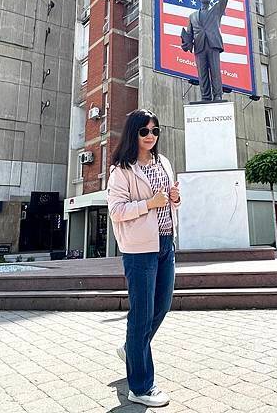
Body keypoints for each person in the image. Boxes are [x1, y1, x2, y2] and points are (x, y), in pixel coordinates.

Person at [107, 109, 181, 407]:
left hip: (166, 243)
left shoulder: (163, 162)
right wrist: (149, 203)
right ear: (133, 133)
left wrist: (175, 199)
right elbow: (117, 211)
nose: (151, 136)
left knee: (161, 306)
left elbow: (168, 201)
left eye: (155, 130)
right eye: (144, 131)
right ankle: (140, 386)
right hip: (139, 250)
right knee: (140, 315)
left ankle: (131, 350)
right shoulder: (121, 169)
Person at [181, 0, 228, 101]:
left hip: (213, 45)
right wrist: (186, 43)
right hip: (200, 47)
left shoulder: (216, 9)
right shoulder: (193, 16)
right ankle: (206, 97)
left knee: (215, 71)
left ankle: (218, 95)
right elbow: (189, 35)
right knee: (202, 74)